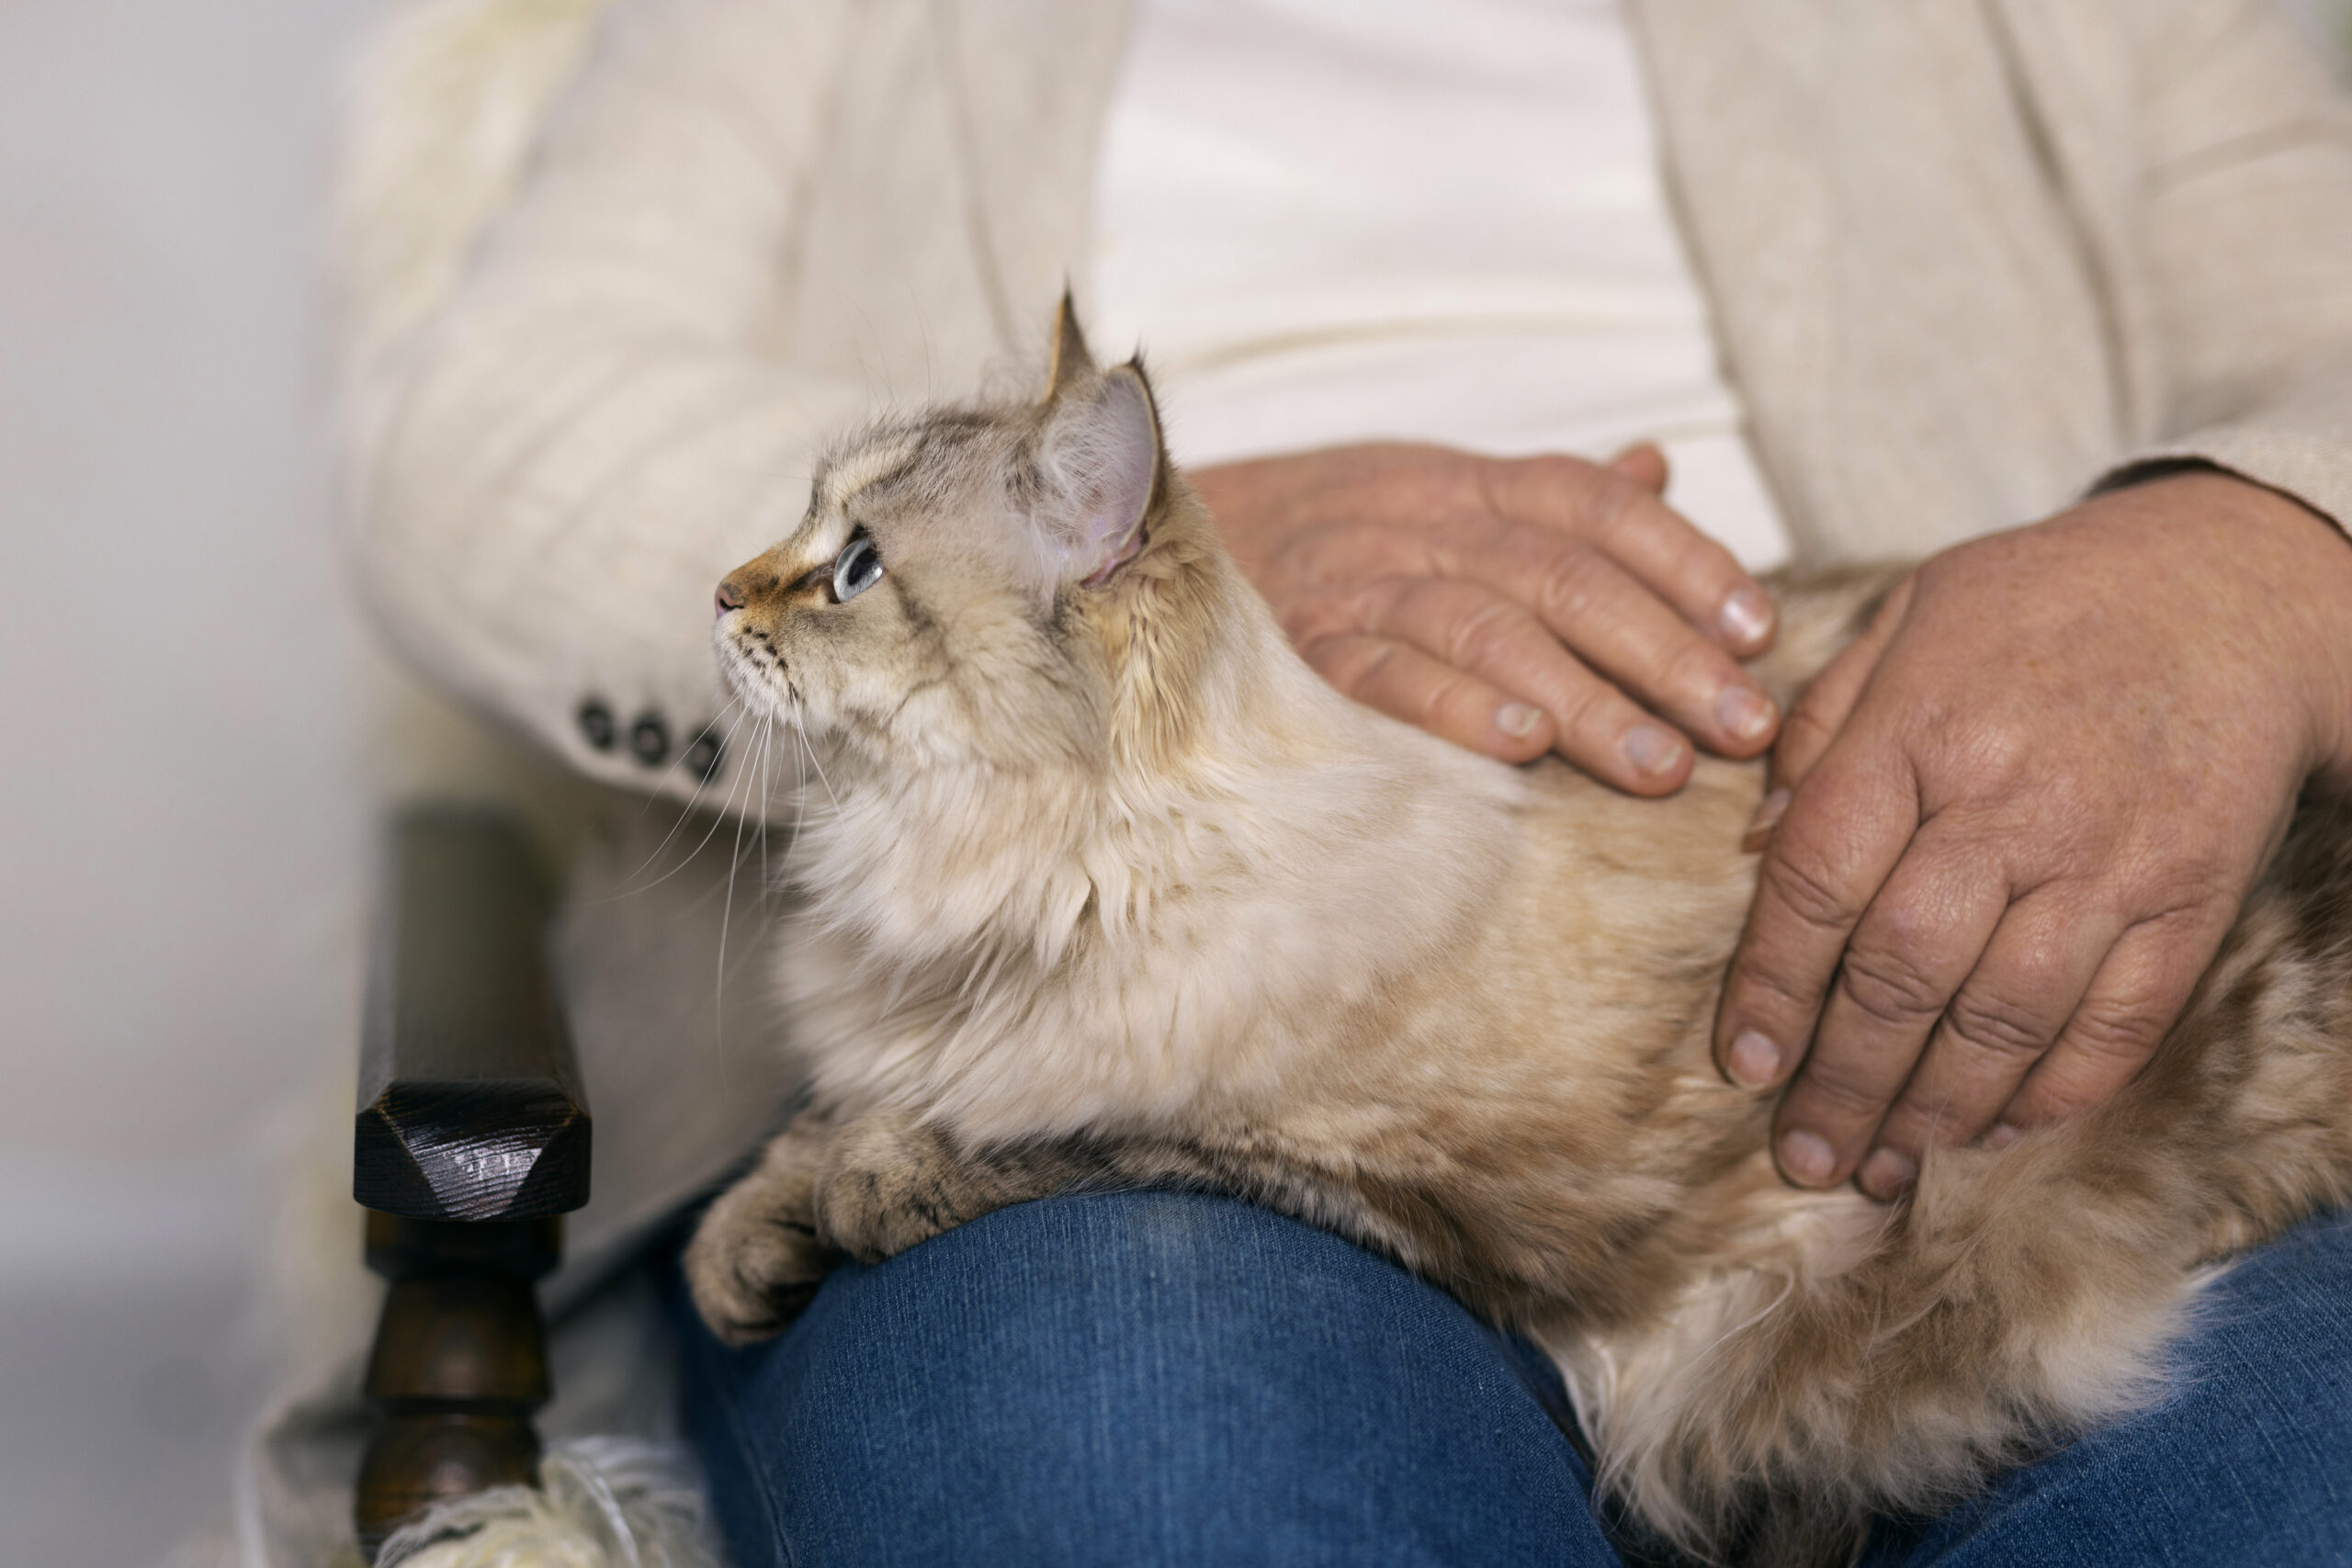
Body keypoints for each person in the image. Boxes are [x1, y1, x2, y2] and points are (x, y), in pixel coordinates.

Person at [335, 0, 2352, 1562]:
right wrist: (1107, 582)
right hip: (1080, 1048)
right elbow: (477, 436)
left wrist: (2260, 546)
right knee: (1149, 1449)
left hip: (2050, 1053)